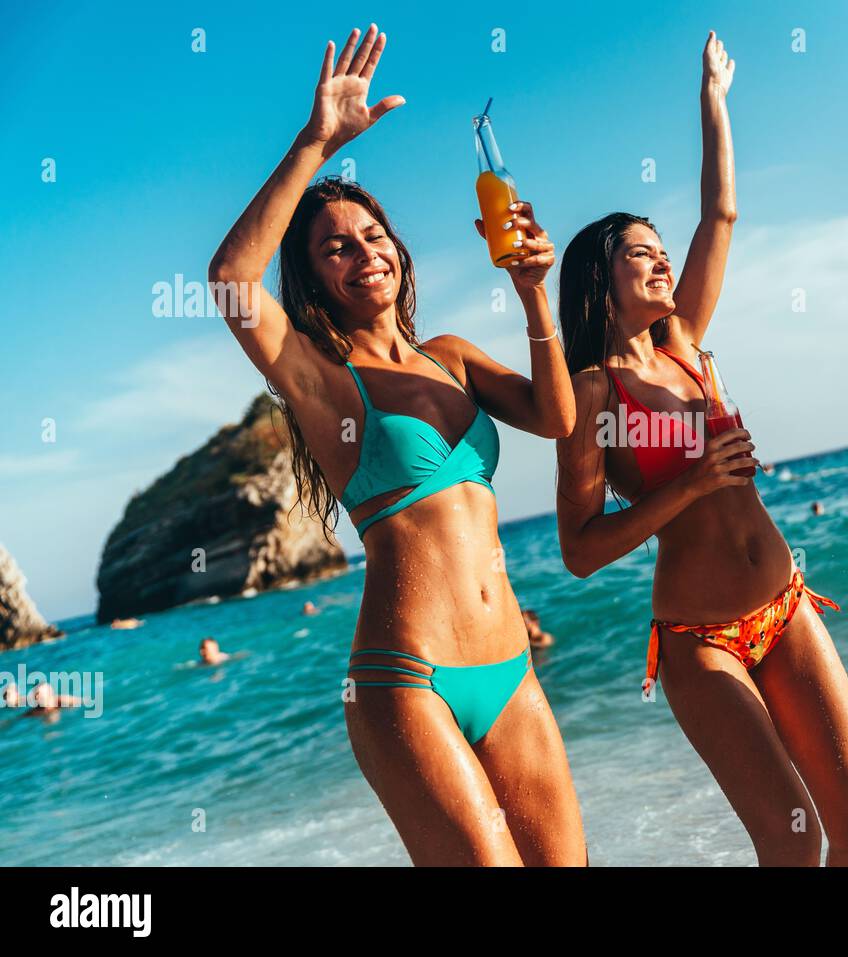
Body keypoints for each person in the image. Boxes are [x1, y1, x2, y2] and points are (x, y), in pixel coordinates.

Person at [208, 23, 584, 865]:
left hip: (512, 674)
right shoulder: (322, 380)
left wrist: (534, 297)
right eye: (335, 248)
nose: (361, 253)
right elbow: (232, 281)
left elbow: (558, 418)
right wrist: (317, 143)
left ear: (398, 250)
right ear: (314, 279)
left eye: (372, 236)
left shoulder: (449, 355)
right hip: (405, 682)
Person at [556, 32, 848, 866]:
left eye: (662, 248)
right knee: (793, 838)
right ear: (602, 277)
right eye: (641, 251)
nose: (663, 257)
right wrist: (694, 482)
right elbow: (580, 549)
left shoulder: (688, 342)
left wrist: (714, 100)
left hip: (785, 599)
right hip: (700, 636)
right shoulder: (594, 392)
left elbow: (721, 215)